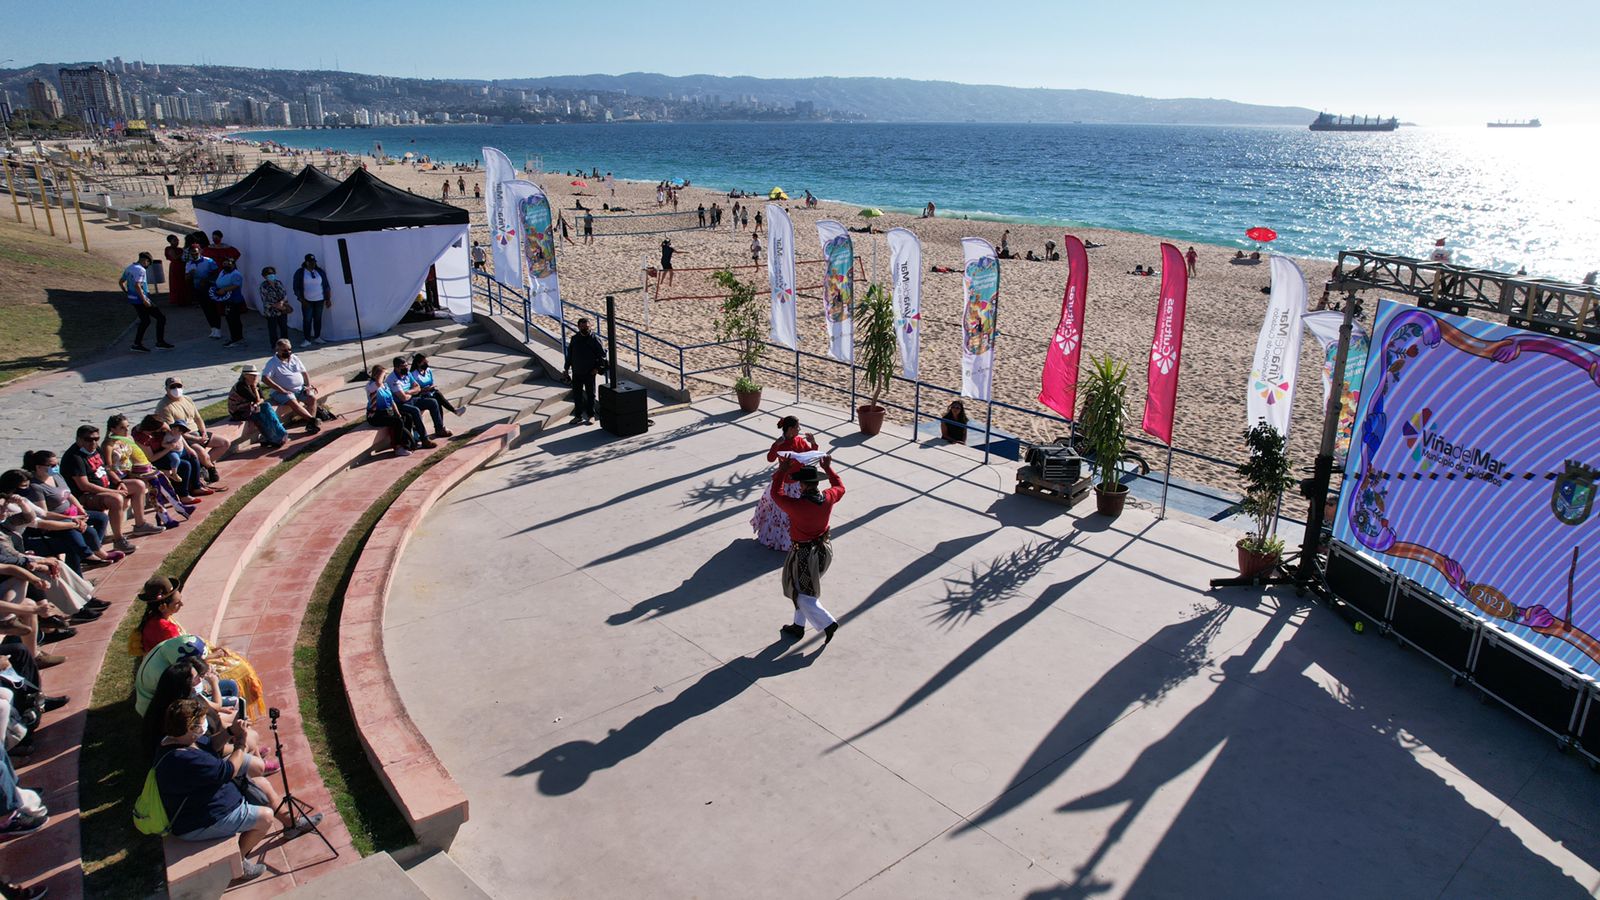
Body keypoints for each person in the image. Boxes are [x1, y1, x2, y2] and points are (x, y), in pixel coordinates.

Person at [154, 699, 321, 882]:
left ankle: (291, 824)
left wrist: (231, 731)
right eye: (201, 724)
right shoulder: (184, 759)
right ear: (190, 729)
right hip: (197, 822)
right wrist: (240, 744)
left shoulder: (175, 740)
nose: (204, 726)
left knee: (262, 784)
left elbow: (209, 745)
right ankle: (239, 863)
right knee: (265, 817)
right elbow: (228, 770)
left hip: (205, 798)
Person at [769, 456, 844, 644]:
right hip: (823, 550)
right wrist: (828, 468)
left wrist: (782, 471)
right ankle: (798, 626)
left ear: (802, 485)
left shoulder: (797, 506)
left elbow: (776, 494)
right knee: (802, 588)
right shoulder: (828, 497)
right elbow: (840, 487)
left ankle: (828, 622)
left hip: (804, 555)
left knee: (800, 593)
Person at [62, 425, 158, 552]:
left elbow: (107, 468)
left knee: (138, 485)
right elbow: (84, 485)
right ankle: (119, 540)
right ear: (79, 439)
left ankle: (140, 525)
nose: (93, 442)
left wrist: (119, 481)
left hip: (105, 486)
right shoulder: (74, 457)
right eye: (89, 439)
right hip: (86, 495)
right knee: (116, 499)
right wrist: (114, 491)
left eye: (96, 439)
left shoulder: (95, 449)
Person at [750, 416, 817, 551]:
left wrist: (813, 443)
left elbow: (810, 454)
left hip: (797, 483)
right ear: (790, 429)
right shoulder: (780, 443)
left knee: (795, 513)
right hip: (783, 483)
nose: (799, 429)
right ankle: (778, 540)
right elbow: (770, 458)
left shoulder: (799, 440)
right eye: (797, 427)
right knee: (781, 514)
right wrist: (775, 445)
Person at [155, 377, 229, 479]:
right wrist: (197, 439)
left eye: (178, 386)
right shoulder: (164, 407)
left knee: (224, 443)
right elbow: (174, 431)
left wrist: (203, 432)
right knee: (202, 454)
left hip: (197, 432)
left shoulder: (187, 399)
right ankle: (211, 469)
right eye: (172, 386)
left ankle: (202, 466)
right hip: (183, 437)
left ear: (183, 386)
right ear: (166, 389)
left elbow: (198, 418)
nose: (176, 389)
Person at [262, 339, 327, 431]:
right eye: (285, 350)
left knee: (312, 398)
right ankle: (312, 420)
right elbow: (265, 378)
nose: (288, 352)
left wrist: (308, 386)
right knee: (291, 400)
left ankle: (311, 424)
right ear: (277, 349)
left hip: (299, 389)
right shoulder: (272, 363)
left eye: (289, 349)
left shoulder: (294, 358)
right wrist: (281, 390)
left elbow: (304, 373)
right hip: (282, 392)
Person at [365, 364, 431, 456]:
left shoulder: (385, 385)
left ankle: (407, 444)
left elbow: (392, 401)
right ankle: (397, 447)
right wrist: (382, 372)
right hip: (375, 416)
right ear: (377, 375)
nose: (385, 377)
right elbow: (378, 384)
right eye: (383, 375)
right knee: (397, 422)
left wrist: (398, 413)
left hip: (387, 412)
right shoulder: (371, 386)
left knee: (407, 416)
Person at [386, 356, 450, 439]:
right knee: (415, 410)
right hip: (399, 404)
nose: (406, 368)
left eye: (406, 365)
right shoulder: (392, 379)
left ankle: (439, 429)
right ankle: (424, 438)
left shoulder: (407, 374)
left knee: (433, 402)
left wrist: (409, 392)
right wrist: (413, 392)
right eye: (403, 366)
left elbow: (418, 387)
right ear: (396, 368)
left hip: (411, 399)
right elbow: (403, 398)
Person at [122, 251, 172, 353]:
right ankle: (160, 342)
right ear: (145, 261)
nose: (148, 265)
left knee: (145, 321)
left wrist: (127, 292)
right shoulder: (141, 270)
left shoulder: (130, 267)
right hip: (141, 299)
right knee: (161, 318)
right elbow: (137, 285)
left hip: (133, 299)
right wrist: (144, 300)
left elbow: (121, 282)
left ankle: (137, 344)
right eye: (149, 263)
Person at [227, 366, 287, 450]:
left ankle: (278, 435)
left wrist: (257, 403)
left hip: (251, 406)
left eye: (255, 375)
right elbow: (255, 399)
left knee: (266, 406)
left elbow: (262, 399)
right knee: (260, 415)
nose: (255, 377)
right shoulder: (241, 386)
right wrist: (255, 388)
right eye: (252, 375)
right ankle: (274, 438)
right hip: (238, 411)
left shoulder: (255, 383)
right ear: (245, 375)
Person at [562, 318, 606, 426]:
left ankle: (591, 416)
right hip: (577, 372)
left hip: (590, 373)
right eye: (582, 327)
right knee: (577, 395)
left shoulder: (595, 339)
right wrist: (566, 369)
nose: (585, 328)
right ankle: (578, 416)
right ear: (578, 327)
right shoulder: (574, 338)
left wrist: (597, 369)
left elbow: (602, 355)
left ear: (590, 326)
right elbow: (570, 355)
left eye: (586, 327)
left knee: (591, 395)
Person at [293, 254, 333, 345]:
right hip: (307, 301)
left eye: (314, 262)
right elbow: (296, 287)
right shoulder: (300, 272)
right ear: (306, 262)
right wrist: (301, 299)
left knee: (318, 319)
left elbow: (326, 285)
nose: (313, 264)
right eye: (310, 262)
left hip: (319, 299)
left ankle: (317, 336)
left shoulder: (319, 271)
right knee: (307, 320)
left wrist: (328, 299)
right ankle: (307, 339)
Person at [410, 354, 463, 421]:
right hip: (420, 394)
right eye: (424, 362)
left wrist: (431, 387)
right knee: (437, 398)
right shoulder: (413, 374)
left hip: (430, 392)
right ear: (418, 364)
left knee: (437, 398)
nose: (427, 363)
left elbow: (431, 382)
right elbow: (414, 389)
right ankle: (454, 411)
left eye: (426, 361)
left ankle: (442, 423)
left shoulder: (428, 370)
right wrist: (423, 389)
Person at [186, 245, 222, 339]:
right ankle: (213, 329)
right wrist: (190, 275)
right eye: (192, 253)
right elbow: (186, 278)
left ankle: (218, 329)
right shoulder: (189, 264)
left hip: (210, 288)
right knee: (206, 309)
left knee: (213, 309)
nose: (194, 254)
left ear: (200, 251)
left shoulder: (208, 261)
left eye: (196, 252)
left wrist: (207, 279)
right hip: (198, 289)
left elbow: (216, 273)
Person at [211, 256, 246, 347]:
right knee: (229, 319)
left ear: (233, 264)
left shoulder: (236, 274)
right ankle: (235, 337)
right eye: (224, 263)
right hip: (225, 300)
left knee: (234, 320)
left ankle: (237, 339)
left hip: (234, 300)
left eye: (228, 264)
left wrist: (224, 290)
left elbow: (236, 285)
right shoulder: (222, 272)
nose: (226, 265)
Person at [259, 266, 292, 346]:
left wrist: (282, 302)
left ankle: (285, 345)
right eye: (268, 274)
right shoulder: (263, 286)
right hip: (271, 311)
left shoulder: (279, 283)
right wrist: (277, 305)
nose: (271, 275)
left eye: (272, 273)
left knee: (284, 328)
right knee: (273, 329)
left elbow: (285, 294)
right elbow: (265, 300)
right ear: (264, 276)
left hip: (282, 309)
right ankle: (275, 346)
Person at [164, 234, 190, 306]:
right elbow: (174, 257)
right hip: (175, 268)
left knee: (184, 283)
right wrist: (184, 252)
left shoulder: (180, 249)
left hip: (183, 267)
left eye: (177, 240)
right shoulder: (169, 249)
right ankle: (178, 300)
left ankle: (185, 299)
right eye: (175, 240)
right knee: (177, 284)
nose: (177, 241)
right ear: (170, 241)